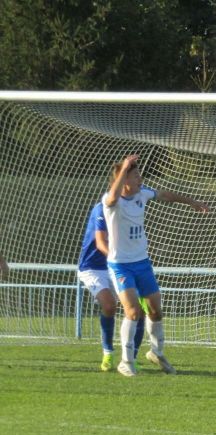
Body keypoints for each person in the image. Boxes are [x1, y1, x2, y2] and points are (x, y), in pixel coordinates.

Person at [104, 154, 209, 377]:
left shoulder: (142, 193)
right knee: (132, 312)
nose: (140, 179)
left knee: (155, 311)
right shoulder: (111, 200)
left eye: (139, 174)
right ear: (123, 180)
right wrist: (123, 169)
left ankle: (157, 353)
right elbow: (113, 198)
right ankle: (126, 361)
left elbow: (165, 195)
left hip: (142, 263)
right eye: (135, 175)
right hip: (120, 265)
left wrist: (191, 202)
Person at [77, 201, 145, 371]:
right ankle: (108, 351)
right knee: (109, 305)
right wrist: (118, 259)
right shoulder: (102, 208)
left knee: (138, 309)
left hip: (117, 265)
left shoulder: (132, 209)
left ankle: (131, 358)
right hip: (93, 268)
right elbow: (100, 244)